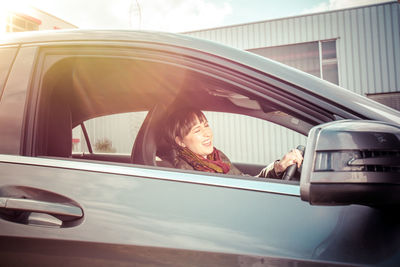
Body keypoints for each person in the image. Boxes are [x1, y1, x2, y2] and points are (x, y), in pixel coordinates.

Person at [162, 106, 303, 179]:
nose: (207, 133)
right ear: (181, 141)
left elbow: (245, 182)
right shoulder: (185, 172)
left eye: (206, 125)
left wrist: (278, 167)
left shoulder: (216, 157)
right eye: (197, 130)